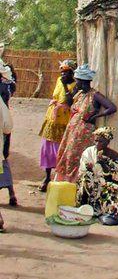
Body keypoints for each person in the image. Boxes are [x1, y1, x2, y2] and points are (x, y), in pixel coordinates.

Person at [55, 64, 117, 183]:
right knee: (67, 155)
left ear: (83, 81)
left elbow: (112, 108)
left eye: (77, 81)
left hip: (84, 133)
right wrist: (64, 85)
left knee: (76, 157)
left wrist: (96, 116)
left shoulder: (95, 95)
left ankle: (76, 185)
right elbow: (68, 103)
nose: (75, 83)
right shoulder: (79, 94)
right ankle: (65, 184)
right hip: (72, 131)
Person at [38, 60, 76, 191]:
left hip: (64, 120)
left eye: (66, 72)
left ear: (72, 73)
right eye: (62, 72)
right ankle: (47, 177)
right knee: (47, 148)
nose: (63, 75)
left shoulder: (75, 85)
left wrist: (66, 86)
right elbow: (56, 96)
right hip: (52, 119)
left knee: (60, 150)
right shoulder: (59, 80)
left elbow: (70, 101)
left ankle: (58, 178)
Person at [77, 126, 118, 216]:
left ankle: (110, 212)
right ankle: (84, 207)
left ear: (107, 142)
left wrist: (104, 163)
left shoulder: (114, 155)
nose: (97, 143)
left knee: (116, 189)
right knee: (86, 179)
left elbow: (116, 176)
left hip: (106, 182)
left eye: (100, 141)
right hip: (91, 179)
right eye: (96, 141)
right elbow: (83, 170)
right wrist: (90, 168)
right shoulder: (89, 151)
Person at [0, 61, 17, 207]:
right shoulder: (8, 86)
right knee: (3, 160)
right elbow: (7, 126)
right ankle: (11, 193)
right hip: (3, 130)